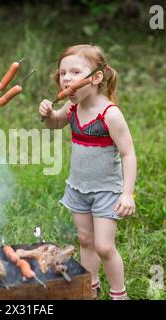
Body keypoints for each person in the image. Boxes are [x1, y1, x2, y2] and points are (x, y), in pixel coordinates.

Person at [39, 44, 137, 300]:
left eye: (74, 72)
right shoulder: (72, 108)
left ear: (96, 78)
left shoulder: (110, 114)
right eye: (62, 73)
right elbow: (55, 125)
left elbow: (128, 154)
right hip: (78, 188)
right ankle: (89, 287)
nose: (66, 79)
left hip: (106, 191)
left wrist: (127, 194)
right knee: (85, 240)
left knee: (104, 246)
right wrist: (49, 115)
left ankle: (119, 294)